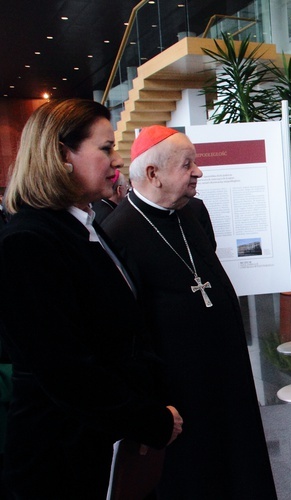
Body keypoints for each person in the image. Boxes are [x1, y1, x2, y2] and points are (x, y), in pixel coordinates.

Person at [0, 99, 183, 499]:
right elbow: (64, 370)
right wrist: (149, 420)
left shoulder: (85, 224)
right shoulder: (28, 242)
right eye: (104, 149)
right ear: (61, 154)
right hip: (61, 460)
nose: (117, 160)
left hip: (104, 444)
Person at [101, 125, 277, 499]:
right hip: (178, 390)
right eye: (187, 164)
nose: (198, 171)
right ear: (153, 174)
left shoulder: (194, 211)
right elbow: (125, 333)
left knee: (241, 465)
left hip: (228, 375)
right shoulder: (117, 232)